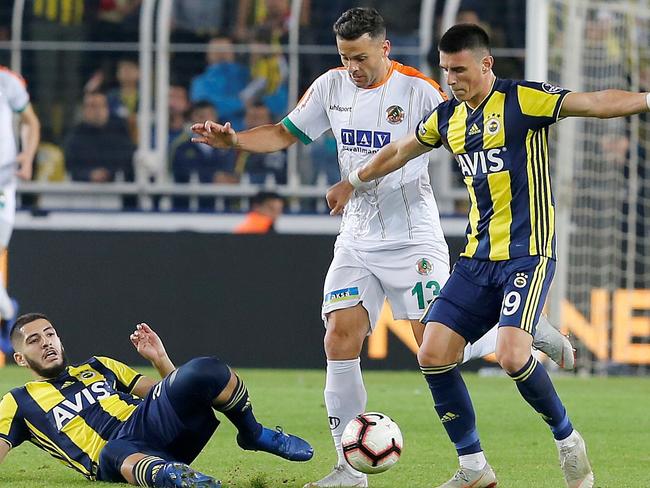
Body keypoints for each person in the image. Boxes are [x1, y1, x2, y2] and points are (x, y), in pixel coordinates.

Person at [191, 10, 573, 488]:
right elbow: (285, 133)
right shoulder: (330, 86)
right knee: (339, 337)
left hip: (413, 237)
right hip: (356, 236)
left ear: (385, 49)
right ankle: (350, 471)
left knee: (433, 345)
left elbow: (470, 131)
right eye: (346, 57)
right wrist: (236, 142)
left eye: (362, 57)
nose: (353, 67)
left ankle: (518, 329)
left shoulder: (418, 91)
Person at [326, 23, 650, 488]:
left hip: (528, 252)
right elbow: (398, 150)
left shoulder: (522, 100)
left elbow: (593, 102)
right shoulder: (448, 118)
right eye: (445, 70)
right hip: (477, 257)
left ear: (486, 64)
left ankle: (567, 441)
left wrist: (646, 99)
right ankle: (474, 468)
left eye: (459, 70)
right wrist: (352, 181)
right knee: (433, 354)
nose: (452, 79)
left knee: (513, 356)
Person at [0, 313, 313, 487]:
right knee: (114, 449)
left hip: (151, 423)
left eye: (50, 333)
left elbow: (177, 395)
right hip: (115, 457)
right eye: (34, 340)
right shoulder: (18, 401)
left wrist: (160, 358)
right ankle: (173, 478)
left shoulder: (99, 366)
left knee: (206, 369)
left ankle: (254, 434)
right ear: (21, 359)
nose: (47, 343)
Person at [0, 66, 40, 355]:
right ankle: (3, 307)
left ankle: (3, 309)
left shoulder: (7, 80)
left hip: (2, 181)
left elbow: (29, 121)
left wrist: (27, 154)